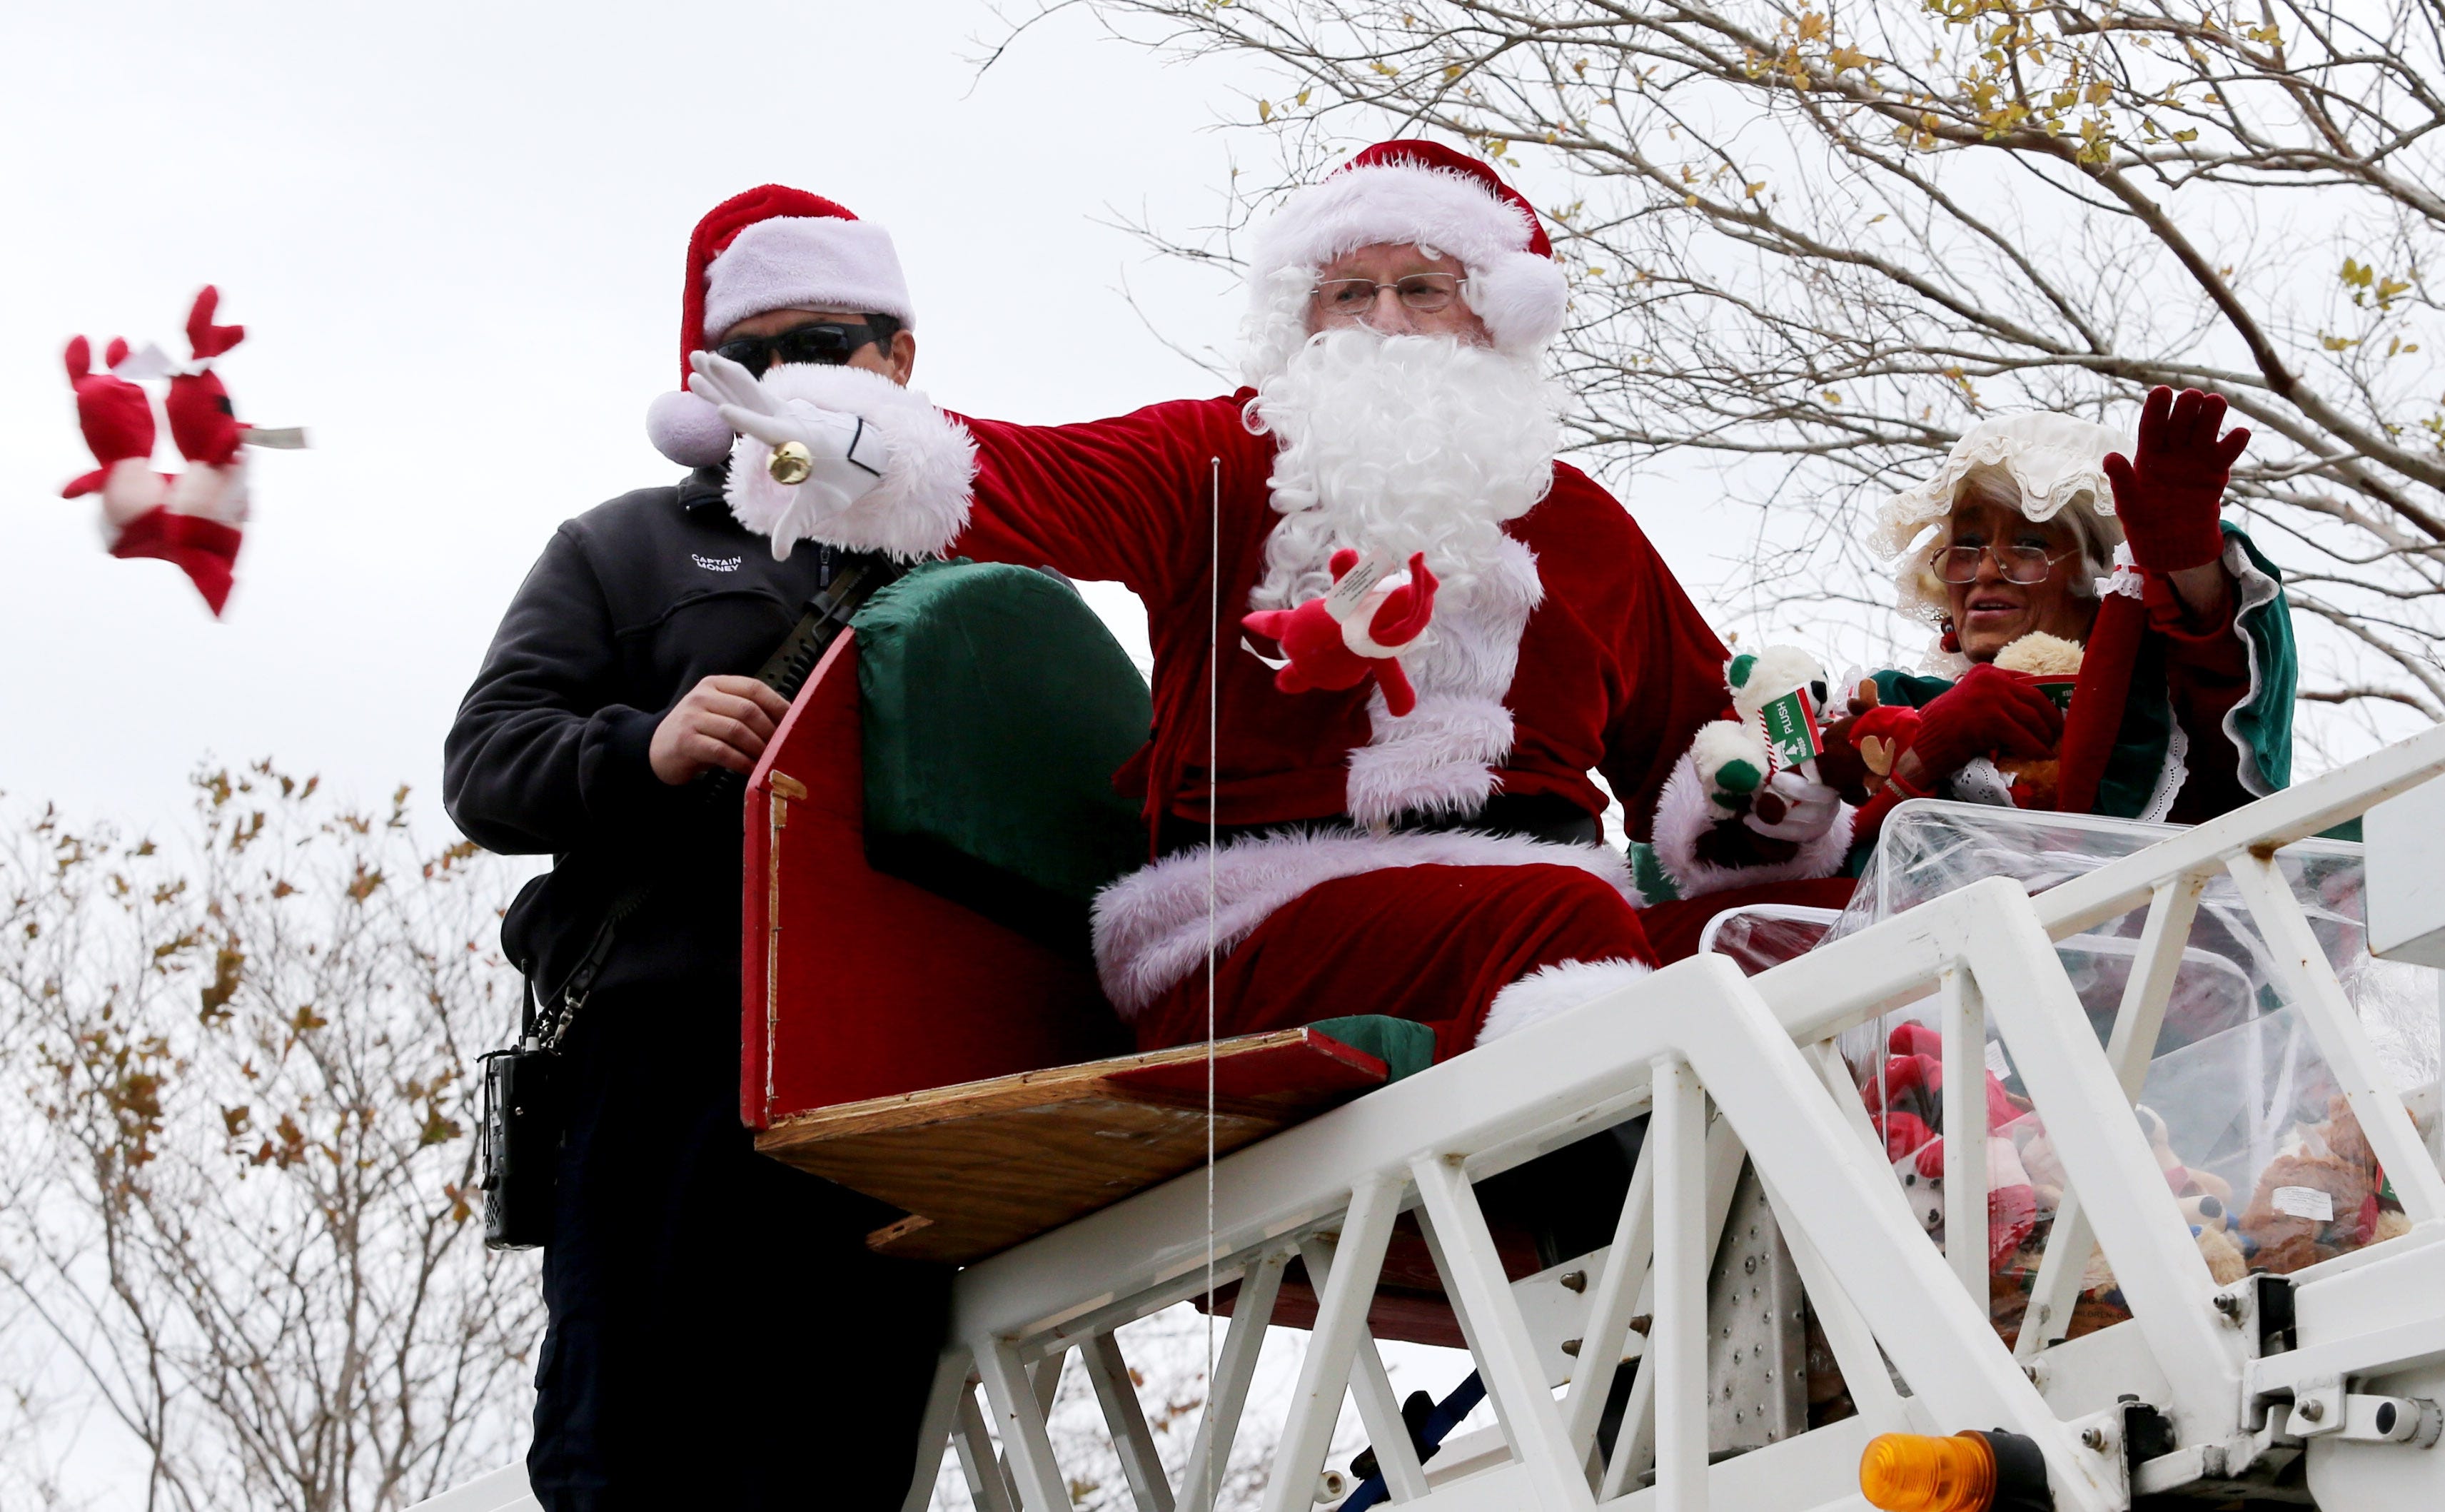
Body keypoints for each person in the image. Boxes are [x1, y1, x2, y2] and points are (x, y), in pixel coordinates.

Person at [682, 141, 1848, 1061]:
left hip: (1533, 905)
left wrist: (1766, 808)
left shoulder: (1585, 524)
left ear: (1494, 312)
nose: (1384, 321)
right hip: (1247, 918)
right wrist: (840, 442)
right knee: (1562, 924)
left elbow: (1703, 748)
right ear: (1302, 319)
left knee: (1802, 939)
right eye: (1349, 292)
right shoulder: (1221, 458)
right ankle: (1643, 1216)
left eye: (1423, 289)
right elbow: (1017, 480)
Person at [443, 186, 947, 1512]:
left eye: (830, 341)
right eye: (763, 349)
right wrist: (638, 746)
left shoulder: (984, 566)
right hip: (670, 1063)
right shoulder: (627, 545)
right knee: (631, 1453)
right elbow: (484, 764)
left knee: (848, 1454)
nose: (797, 376)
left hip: (905, 1090)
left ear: (899, 359)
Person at [1844, 389, 2293, 850]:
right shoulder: (1889, 704)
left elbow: (2221, 663)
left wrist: (2185, 561)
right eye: (1968, 545)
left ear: (2102, 576)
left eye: (2030, 546)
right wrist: (1933, 744)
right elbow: (1791, 844)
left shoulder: (2157, 724)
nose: (1983, 571)